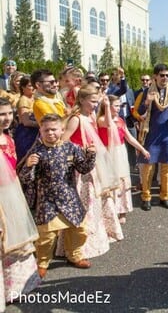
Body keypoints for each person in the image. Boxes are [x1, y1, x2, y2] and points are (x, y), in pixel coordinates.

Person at [19, 113, 97, 278]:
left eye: (54, 129)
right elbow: (26, 179)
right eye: (46, 130)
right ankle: (42, 263)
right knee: (46, 237)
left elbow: (83, 169)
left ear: (62, 130)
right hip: (47, 201)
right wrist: (27, 166)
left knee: (79, 230)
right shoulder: (36, 152)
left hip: (69, 198)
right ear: (41, 131)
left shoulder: (71, 148)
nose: (50, 133)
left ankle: (74, 255)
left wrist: (90, 154)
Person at [62, 85, 122, 258]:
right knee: (84, 202)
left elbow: (107, 125)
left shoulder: (91, 115)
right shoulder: (76, 119)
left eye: (97, 102)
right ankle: (78, 245)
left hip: (92, 163)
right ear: (81, 100)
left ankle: (95, 238)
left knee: (94, 202)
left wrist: (105, 104)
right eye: (92, 101)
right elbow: (64, 141)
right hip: (80, 166)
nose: (95, 105)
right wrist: (81, 150)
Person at [0, 98, 40, 310]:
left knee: (16, 240)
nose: (6, 118)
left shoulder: (9, 138)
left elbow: (14, 170)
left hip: (12, 192)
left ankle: (16, 287)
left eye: (8, 113)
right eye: (1, 114)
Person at [97, 95, 150, 224]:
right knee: (110, 180)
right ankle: (111, 210)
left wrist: (142, 149)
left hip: (120, 151)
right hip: (108, 153)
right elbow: (109, 124)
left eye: (120, 105)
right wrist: (107, 107)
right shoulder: (101, 119)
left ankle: (122, 210)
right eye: (116, 105)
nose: (119, 108)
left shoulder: (121, 120)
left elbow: (129, 138)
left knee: (122, 180)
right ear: (107, 106)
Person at [136, 63, 168, 211]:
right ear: (155, 76)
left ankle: (164, 196)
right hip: (151, 134)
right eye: (162, 75)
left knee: (166, 168)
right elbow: (140, 112)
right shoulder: (147, 92)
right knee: (148, 168)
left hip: (167, 134)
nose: (165, 78)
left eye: (167, 75)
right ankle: (146, 197)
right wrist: (148, 101)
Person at [14, 76, 39, 163]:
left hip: (36, 132)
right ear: (23, 87)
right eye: (29, 85)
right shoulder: (23, 100)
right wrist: (43, 124)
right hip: (26, 133)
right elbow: (26, 122)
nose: (32, 87)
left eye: (33, 85)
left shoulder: (34, 98)